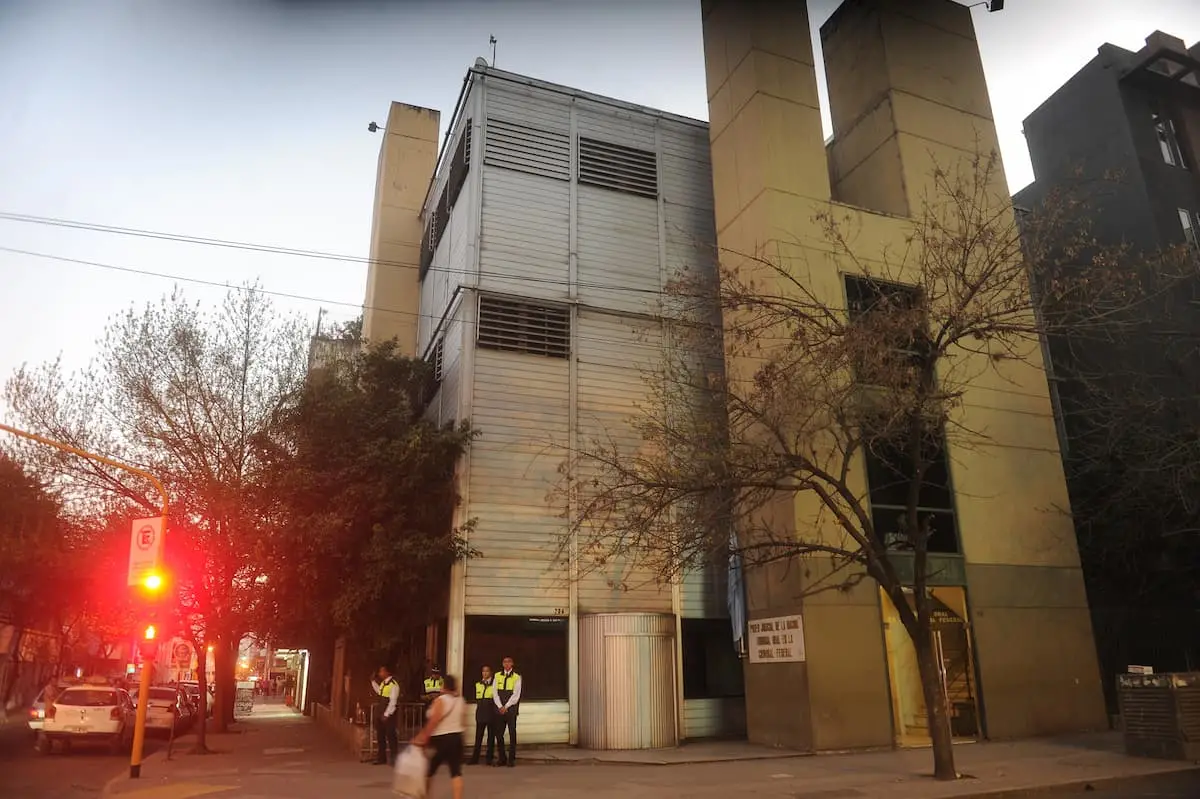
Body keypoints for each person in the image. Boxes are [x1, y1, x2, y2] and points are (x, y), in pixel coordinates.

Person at [414, 674, 466, 799]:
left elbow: (433, 721)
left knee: (429, 771)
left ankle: (424, 796)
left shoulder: (441, 700)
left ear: (444, 686)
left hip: (442, 739)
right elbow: (463, 722)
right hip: (457, 738)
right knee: (456, 772)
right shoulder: (460, 700)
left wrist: (422, 737)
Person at [492, 656, 522, 767]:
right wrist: (500, 706)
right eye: (505, 662)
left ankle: (511, 759)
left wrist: (506, 706)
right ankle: (502, 758)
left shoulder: (517, 677)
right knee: (499, 734)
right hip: (499, 710)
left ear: (512, 663)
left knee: (512, 734)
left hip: (511, 709)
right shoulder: (497, 676)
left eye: (509, 661)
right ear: (502, 663)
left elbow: (516, 695)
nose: (507, 664)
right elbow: (494, 692)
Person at [370, 665, 400, 765]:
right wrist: (373, 682)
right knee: (380, 737)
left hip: (389, 715)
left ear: (387, 672)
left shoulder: (394, 685)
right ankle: (381, 758)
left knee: (391, 737)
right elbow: (379, 691)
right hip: (380, 712)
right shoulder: (383, 683)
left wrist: (386, 714)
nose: (379, 673)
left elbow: (393, 702)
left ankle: (394, 759)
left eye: (381, 671)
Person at [467, 665, 495, 766]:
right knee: (478, 737)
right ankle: (475, 758)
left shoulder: (494, 685)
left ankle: (489, 758)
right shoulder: (478, 684)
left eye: (487, 671)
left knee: (491, 738)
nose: (485, 673)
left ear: (490, 672)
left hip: (491, 714)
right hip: (480, 713)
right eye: (483, 671)